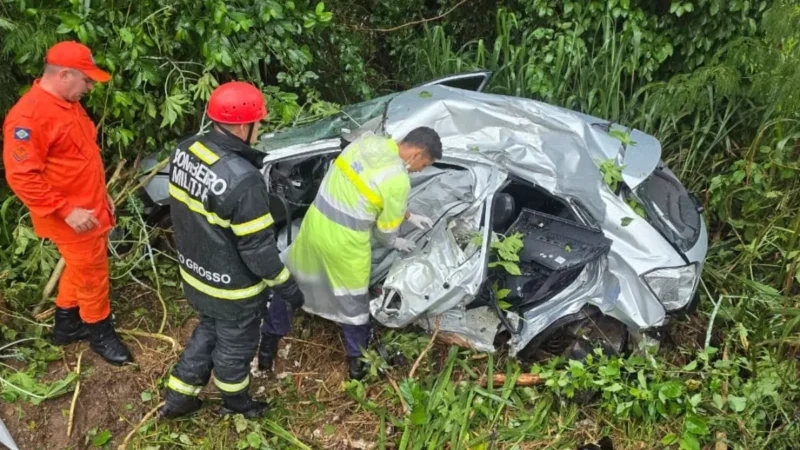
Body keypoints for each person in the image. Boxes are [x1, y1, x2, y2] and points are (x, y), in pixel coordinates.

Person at [157, 81, 305, 419]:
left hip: (195, 275)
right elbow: (258, 251)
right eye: (259, 123)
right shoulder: (244, 180)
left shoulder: (186, 150)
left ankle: (179, 398)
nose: (260, 129)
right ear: (243, 125)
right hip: (232, 288)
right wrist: (287, 287)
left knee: (209, 328)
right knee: (234, 350)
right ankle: (237, 404)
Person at [259, 127, 442, 380]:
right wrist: (396, 242)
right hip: (345, 246)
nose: (422, 170)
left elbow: (364, 190)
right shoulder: (399, 179)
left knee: (292, 286)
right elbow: (384, 232)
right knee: (354, 304)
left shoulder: (365, 144)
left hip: (314, 230)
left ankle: (267, 350)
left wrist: (408, 214)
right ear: (418, 152)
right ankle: (358, 367)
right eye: (425, 163)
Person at [3, 41, 132, 366]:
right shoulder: (29, 118)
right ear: (63, 74)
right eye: (86, 80)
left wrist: (102, 198)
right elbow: (22, 177)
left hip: (91, 208)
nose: (90, 87)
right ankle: (99, 331)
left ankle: (66, 325)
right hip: (71, 217)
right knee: (92, 275)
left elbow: (81, 158)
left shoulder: (66, 102)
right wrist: (67, 210)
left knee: (80, 267)